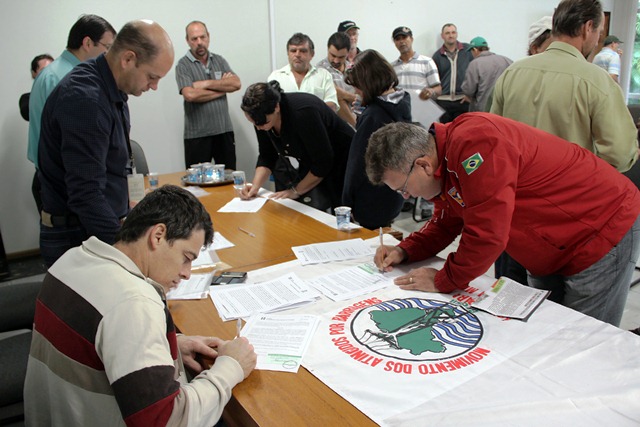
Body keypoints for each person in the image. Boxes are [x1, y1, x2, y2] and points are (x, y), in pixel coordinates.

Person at [368, 114, 640, 327]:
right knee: (546, 330)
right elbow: (448, 219)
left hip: (600, 229)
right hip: (551, 244)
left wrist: (445, 279)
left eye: (402, 188)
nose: (407, 196)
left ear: (423, 165)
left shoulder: (477, 143)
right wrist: (405, 250)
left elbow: (487, 233)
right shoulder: (445, 161)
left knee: (582, 340)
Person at [24, 184, 257, 425]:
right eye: (186, 258)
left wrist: (169, 345)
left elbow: (100, 342)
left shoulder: (71, 259)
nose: (187, 273)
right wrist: (231, 367)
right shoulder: (133, 303)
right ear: (158, 235)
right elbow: (165, 420)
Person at [38, 20, 175, 267]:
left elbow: (107, 165)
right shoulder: (85, 99)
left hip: (92, 227)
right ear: (128, 59)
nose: (154, 87)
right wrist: (128, 252)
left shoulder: (111, 86)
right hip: (77, 238)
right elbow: (86, 194)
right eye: (152, 77)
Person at [491, 0, 638, 173]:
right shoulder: (598, 81)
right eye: (599, 32)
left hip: (517, 188)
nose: (598, 38)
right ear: (588, 27)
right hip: (570, 192)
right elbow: (620, 155)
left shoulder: (511, 73)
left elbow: (494, 137)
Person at [27, 15, 116, 215]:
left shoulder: (60, 73)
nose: (110, 55)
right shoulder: (65, 79)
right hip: (63, 182)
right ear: (87, 43)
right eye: (107, 47)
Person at [240, 81, 353, 211]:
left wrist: (295, 191)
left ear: (277, 107)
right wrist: (255, 186)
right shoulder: (260, 117)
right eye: (254, 123)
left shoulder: (303, 112)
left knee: (339, 209)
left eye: (262, 123)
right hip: (314, 160)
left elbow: (323, 162)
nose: (259, 128)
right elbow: (267, 154)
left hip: (343, 159)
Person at [342, 50, 410, 229]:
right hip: (393, 195)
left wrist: (346, 203)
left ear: (367, 82)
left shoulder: (373, 116)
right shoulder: (402, 102)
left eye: (357, 85)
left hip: (369, 200)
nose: (355, 91)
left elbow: (357, 164)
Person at [176, 21, 241, 169]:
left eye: (202, 37)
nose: (199, 42)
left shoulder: (219, 60)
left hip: (224, 131)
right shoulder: (183, 65)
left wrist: (204, 84)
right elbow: (190, 95)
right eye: (194, 39)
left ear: (208, 37)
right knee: (197, 187)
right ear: (187, 40)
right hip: (197, 136)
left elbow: (236, 83)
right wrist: (223, 88)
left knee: (229, 180)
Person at [268, 33, 338, 111]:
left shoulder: (324, 76)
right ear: (288, 53)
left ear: (312, 54)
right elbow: (269, 108)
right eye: (293, 51)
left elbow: (332, 106)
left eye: (303, 51)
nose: (297, 54)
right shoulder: (276, 77)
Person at [432, 23, 473, 123]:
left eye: (453, 32)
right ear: (442, 36)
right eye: (447, 33)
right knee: (445, 132)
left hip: (462, 100)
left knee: (462, 132)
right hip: (443, 101)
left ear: (457, 34)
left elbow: (475, 72)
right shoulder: (437, 56)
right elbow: (434, 79)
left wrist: (471, 95)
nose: (451, 35)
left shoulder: (467, 51)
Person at [461, 36, 512, 112]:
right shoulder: (506, 60)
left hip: (483, 109)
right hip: (503, 108)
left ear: (475, 50)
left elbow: (468, 90)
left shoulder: (475, 64)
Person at [317, 31, 357, 127]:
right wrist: (356, 98)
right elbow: (335, 93)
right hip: (335, 124)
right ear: (328, 49)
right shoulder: (320, 70)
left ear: (348, 53)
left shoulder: (353, 69)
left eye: (341, 57)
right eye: (333, 55)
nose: (336, 60)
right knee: (337, 98)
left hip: (357, 115)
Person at [391, 26, 441, 101]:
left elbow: (438, 89)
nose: (401, 41)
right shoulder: (392, 67)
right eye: (397, 39)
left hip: (422, 109)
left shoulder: (427, 62)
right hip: (401, 110)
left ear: (411, 39)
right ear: (395, 43)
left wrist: (431, 91)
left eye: (404, 37)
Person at [19, 54, 54, 121]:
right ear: (33, 73)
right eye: (44, 70)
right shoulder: (27, 98)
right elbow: (27, 113)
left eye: (52, 69)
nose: (49, 73)